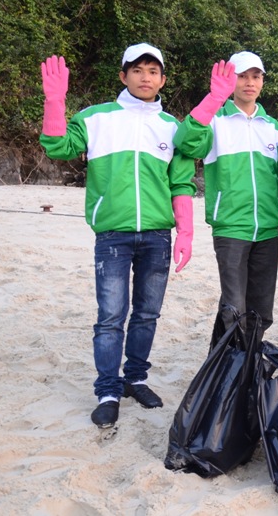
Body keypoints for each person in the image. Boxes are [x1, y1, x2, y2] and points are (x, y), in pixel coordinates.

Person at [39, 43, 196, 428]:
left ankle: (136, 378)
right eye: (138, 70)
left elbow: (181, 182)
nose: (146, 77)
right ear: (123, 75)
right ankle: (108, 389)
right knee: (111, 317)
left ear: (163, 79)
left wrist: (186, 232)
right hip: (112, 235)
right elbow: (59, 147)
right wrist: (55, 103)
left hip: (158, 234)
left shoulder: (172, 126)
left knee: (147, 314)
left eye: (154, 71)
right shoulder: (96, 118)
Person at [173, 52, 278, 340]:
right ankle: (229, 375)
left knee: (261, 311)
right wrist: (213, 100)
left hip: (266, 229)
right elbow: (186, 143)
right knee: (233, 308)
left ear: (262, 81)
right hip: (230, 228)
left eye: (256, 76)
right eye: (242, 76)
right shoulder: (215, 121)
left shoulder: (272, 127)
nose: (249, 83)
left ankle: (245, 368)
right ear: (231, 80)